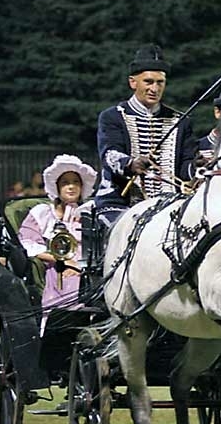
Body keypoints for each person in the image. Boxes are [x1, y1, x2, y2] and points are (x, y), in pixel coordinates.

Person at [94, 44, 197, 225]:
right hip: (120, 203)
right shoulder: (113, 116)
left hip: (170, 203)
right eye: (148, 82)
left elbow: (185, 166)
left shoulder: (180, 121)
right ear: (133, 82)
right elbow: (109, 154)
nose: (155, 89)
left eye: (160, 82)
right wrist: (131, 163)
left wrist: (197, 166)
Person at [18, 154, 97, 310]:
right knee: (67, 280)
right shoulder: (43, 212)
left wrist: (81, 266)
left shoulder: (90, 212)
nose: (71, 187)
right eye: (65, 183)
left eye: (76, 182)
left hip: (90, 265)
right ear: (57, 187)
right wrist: (65, 261)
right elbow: (29, 244)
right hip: (57, 267)